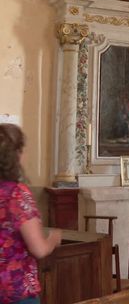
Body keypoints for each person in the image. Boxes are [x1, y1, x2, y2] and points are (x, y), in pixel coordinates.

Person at [0, 124, 62, 304]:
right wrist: (53, 238)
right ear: (16, 154)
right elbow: (39, 249)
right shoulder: (17, 194)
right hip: (16, 291)